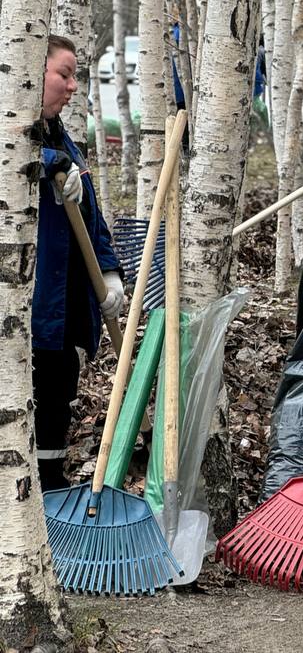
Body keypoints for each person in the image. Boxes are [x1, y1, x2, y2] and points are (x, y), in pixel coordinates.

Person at [34, 36, 124, 491]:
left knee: (58, 386)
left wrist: (109, 273)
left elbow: (92, 218)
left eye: (74, 77)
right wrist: (46, 164)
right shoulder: (27, 137)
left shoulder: (62, 134)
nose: (72, 86)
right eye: (64, 75)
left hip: (63, 301)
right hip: (29, 304)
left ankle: (50, 480)